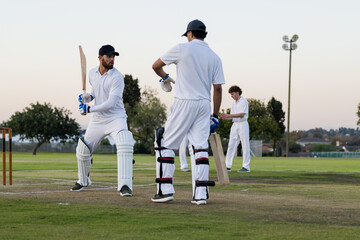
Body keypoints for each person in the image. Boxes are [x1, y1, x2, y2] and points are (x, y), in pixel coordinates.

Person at [151, 19, 225, 205]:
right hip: (204, 104)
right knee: (200, 147)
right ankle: (200, 194)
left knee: (164, 142)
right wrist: (215, 115)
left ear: (190, 34)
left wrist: (166, 78)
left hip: (184, 101)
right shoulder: (215, 57)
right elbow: (218, 89)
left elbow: (156, 66)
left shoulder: (182, 48)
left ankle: (165, 189)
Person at [71, 44, 135, 197]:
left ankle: (125, 185)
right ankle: (83, 180)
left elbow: (111, 103)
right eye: (109, 56)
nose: (112, 59)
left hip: (116, 117)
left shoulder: (117, 77)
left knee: (124, 143)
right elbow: (97, 92)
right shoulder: (93, 73)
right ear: (100, 58)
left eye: (113, 56)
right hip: (98, 120)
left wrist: (89, 109)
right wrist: (89, 97)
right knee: (83, 150)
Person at [220, 85, 250, 173]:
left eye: (232, 94)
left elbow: (242, 114)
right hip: (235, 125)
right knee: (231, 145)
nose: (232, 96)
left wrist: (229, 115)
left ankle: (246, 166)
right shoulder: (233, 103)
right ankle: (227, 165)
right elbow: (232, 117)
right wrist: (226, 117)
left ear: (237, 92)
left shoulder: (244, 101)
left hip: (243, 124)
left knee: (245, 145)